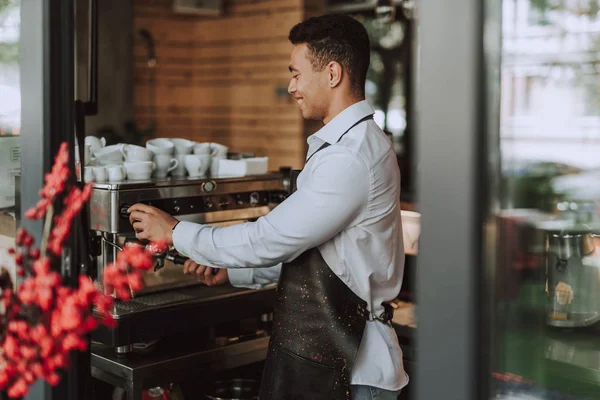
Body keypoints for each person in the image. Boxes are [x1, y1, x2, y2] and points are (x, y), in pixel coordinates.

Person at [127, 13, 408, 400]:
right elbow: (320, 257)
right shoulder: (347, 147)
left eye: (296, 73)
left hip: (355, 369)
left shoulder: (351, 156)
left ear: (332, 73)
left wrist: (176, 232)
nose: (291, 86)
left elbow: (270, 239)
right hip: (340, 359)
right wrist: (235, 273)